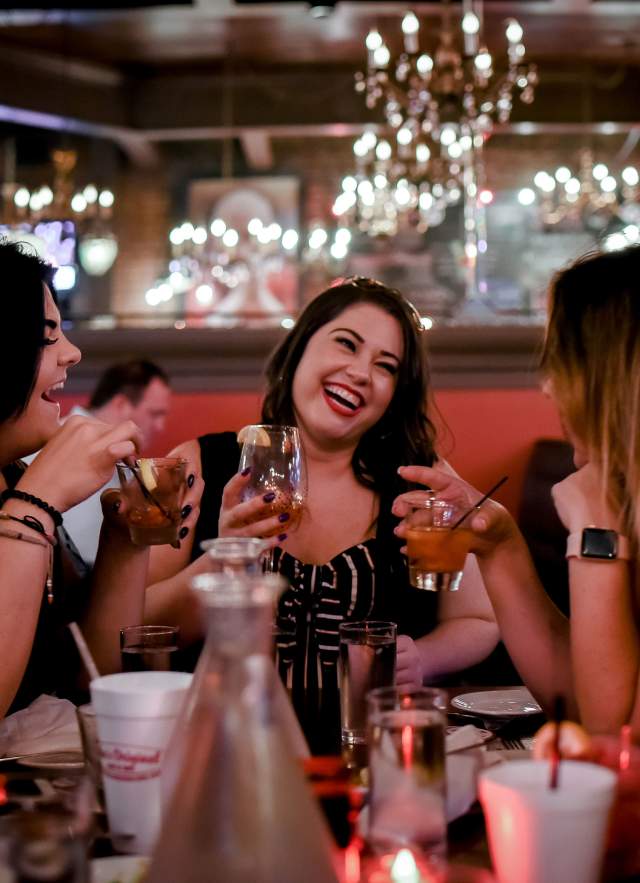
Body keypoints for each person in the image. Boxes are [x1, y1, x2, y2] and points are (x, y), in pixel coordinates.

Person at [145, 276, 498, 753]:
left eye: (385, 366)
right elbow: (142, 630)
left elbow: (480, 620)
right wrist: (225, 560)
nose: (359, 372)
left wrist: (423, 658)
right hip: (224, 753)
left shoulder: (420, 481)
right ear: (300, 347)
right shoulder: (200, 466)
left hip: (369, 755)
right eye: (346, 344)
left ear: (395, 392)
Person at [394, 246, 640, 736]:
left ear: (610, 374)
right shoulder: (622, 498)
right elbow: (576, 688)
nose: (548, 388)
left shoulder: (602, 511)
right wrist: (499, 544)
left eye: (562, 361)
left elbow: (610, 735)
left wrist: (595, 535)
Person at [0, 239, 199, 718]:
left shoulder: (14, 476)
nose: (72, 352)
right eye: (47, 334)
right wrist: (37, 502)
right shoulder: (29, 490)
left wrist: (125, 535)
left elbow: (89, 671)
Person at [26, 359, 172, 565]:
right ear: (121, 404)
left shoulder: (130, 461)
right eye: (155, 414)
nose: (160, 426)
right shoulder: (51, 447)